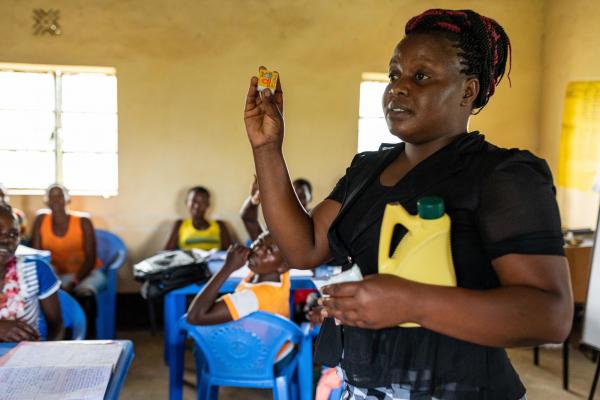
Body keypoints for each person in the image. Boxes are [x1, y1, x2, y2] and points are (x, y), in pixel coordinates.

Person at [243, 8, 573, 399]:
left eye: (421, 76)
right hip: (361, 385)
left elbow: (550, 316)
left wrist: (411, 302)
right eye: (394, 75)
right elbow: (303, 248)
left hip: (456, 389)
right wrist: (266, 148)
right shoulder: (367, 170)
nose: (398, 88)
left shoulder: (502, 175)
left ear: (468, 90)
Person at [186, 232, 293, 361]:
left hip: (258, 359)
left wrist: (227, 268)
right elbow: (252, 223)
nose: (258, 250)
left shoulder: (251, 298)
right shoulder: (280, 275)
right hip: (279, 349)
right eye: (258, 242)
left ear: (283, 266)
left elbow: (194, 317)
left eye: (269, 251)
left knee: (200, 345)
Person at [30, 183, 104, 338]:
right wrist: (55, 281)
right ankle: (62, 341)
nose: (56, 200)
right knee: (50, 300)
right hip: (55, 274)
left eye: (60, 195)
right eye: (52, 196)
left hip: (86, 273)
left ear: (68, 200)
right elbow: (36, 255)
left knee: (85, 296)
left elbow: (90, 259)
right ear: (46, 201)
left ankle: (89, 341)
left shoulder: (83, 221)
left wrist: (75, 282)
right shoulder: (41, 220)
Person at [0, 204, 64, 342]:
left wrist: (46, 357)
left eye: (13, 234)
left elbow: (57, 325)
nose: (6, 239)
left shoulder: (37, 269)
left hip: (26, 358)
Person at [240, 176, 313, 241]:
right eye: (293, 197)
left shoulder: (314, 220)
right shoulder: (279, 220)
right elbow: (249, 219)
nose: (297, 202)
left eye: (302, 197)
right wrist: (254, 199)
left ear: (310, 198)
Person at [165, 186, 234, 251]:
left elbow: (230, 252)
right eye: (193, 201)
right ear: (186, 203)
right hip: (189, 263)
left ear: (208, 204)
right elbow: (167, 252)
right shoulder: (180, 224)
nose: (197, 206)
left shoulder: (220, 225)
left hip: (216, 263)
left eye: (202, 202)